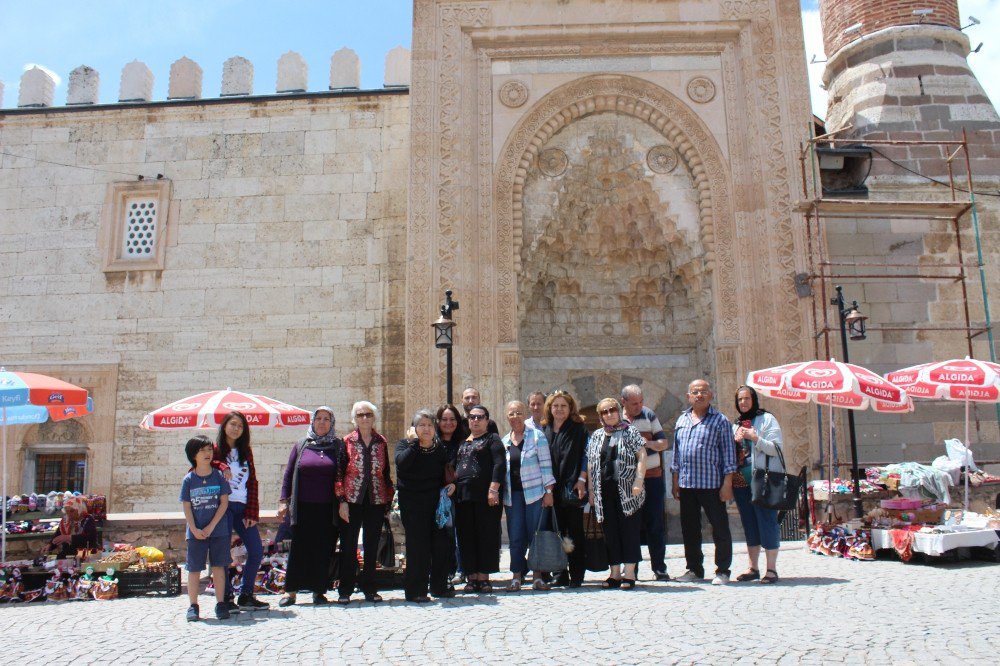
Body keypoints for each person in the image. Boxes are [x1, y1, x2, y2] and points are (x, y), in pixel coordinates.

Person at [671, 379, 737, 585]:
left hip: (711, 484)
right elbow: (676, 455)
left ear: (711, 395)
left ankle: (723, 570)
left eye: (703, 391)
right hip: (687, 484)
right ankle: (694, 569)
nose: (699, 395)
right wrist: (675, 482)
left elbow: (729, 455)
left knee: (719, 527)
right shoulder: (681, 420)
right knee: (689, 529)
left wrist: (727, 484)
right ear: (688, 396)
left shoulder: (720, 421)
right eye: (694, 392)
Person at [277, 407, 343, 607]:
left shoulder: (338, 446)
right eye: (319, 418)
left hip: (327, 509)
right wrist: (283, 501)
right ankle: (291, 592)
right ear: (313, 421)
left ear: (332, 423)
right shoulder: (301, 445)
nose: (322, 422)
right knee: (299, 549)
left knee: (323, 549)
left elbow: (343, 475)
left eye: (326, 419)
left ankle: (318, 591)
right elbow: (289, 474)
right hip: (303, 507)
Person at [395, 409, 457, 602]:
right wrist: (414, 444)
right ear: (413, 429)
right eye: (421, 425)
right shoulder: (404, 445)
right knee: (418, 547)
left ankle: (438, 586)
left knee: (441, 544)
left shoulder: (438, 448)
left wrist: (450, 485)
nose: (426, 429)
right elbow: (402, 464)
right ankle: (416, 590)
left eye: (430, 425)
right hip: (413, 504)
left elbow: (444, 472)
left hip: (435, 504)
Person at [336, 400, 395, 604]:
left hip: (376, 499)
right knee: (348, 544)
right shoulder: (346, 441)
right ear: (354, 419)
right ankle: (345, 588)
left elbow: (386, 473)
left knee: (371, 545)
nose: (364, 418)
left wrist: (388, 501)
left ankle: (369, 586)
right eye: (360, 415)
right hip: (352, 499)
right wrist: (342, 500)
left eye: (368, 414)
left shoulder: (381, 441)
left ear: (374, 418)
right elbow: (339, 473)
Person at [586, 398, 647, 590]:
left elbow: (642, 455)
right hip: (604, 491)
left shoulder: (630, 431)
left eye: (612, 410)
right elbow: (590, 462)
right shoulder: (596, 435)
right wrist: (591, 491)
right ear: (600, 415)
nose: (609, 414)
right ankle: (614, 573)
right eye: (604, 411)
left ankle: (629, 573)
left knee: (629, 530)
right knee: (610, 532)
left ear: (619, 411)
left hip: (627, 491)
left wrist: (639, 480)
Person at [214, 411, 268, 610]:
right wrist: (220, 464)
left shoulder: (246, 451)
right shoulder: (216, 450)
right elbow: (202, 466)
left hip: (243, 506)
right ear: (225, 426)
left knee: (255, 550)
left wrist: (252, 513)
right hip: (224, 507)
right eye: (233, 424)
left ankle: (246, 594)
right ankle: (226, 596)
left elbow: (252, 480)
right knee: (223, 553)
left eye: (240, 426)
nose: (236, 429)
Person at [501, 400, 556, 591]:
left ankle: (538, 576)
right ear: (507, 417)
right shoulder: (505, 441)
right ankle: (516, 575)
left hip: (535, 494)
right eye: (511, 413)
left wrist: (548, 492)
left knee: (536, 535)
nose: (515, 417)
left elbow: (546, 465)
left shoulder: (536, 437)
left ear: (524, 414)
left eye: (518, 413)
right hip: (513, 496)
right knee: (515, 535)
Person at [732, 385, 784, 584]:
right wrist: (734, 441)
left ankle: (771, 569)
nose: (743, 402)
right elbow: (732, 454)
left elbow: (776, 448)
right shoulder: (736, 424)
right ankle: (753, 567)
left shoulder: (767, 419)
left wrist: (756, 438)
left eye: (746, 398)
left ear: (753, 399)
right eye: (740, 400)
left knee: (767, 521)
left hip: (763, 479)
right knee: (749, 523)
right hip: (741, 481)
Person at [453, 404, 506, 592]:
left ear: (487, 420)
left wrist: (493, 489)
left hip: (486, 496)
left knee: (486, 535)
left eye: (480, 417)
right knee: (466, 536)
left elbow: (499, 465)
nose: (475, 420)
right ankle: (471, 577)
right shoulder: (462, 442)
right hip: (463, 497)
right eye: (472, 417)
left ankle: (484, 577)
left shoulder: (493, 439)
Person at [620, 385, 670, 581]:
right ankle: (632, 569)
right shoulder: (617, 418)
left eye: (641, 402)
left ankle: (659, 567)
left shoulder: (649, 415)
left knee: (655, 523)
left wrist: (646, 443)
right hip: (627, 481)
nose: (639, 406)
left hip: (652, 478)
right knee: (630, 525)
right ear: (623, 402)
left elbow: (663, 443)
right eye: (634, 403)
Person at [180, 435, 232, 621]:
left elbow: (224, 503)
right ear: (193, 454)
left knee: (219, 567)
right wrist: (193, 528)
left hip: (218, 530)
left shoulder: (218, 476)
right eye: (202, 450)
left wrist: (211, 526)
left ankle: (220, 604)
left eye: (209, 449)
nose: (207, 453)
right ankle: (193, 606)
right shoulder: (189, 479)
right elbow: (186, 506)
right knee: (194, 569)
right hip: (195, 532)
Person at [540, 390, 588, 587]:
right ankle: (560, 573)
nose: (559, 409)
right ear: (550, 409)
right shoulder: (545, 429)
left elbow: (586, 456)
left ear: (570, 409)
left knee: (574, 531)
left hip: (572, 486)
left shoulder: (579, 428)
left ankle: (577, 573)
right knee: (556, 531)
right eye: (555, 406)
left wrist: (582, 479)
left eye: (563, 406)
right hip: (552, 488)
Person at [436, 403, 468, 585]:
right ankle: (444, 570)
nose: (448, 423)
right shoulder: (433, 442)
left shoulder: (463, 442)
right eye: (444, 419)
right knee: (443, 534)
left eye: (452, 419)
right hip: (438, 496)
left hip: (458, 495)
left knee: (457, 534)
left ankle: (459, 569)